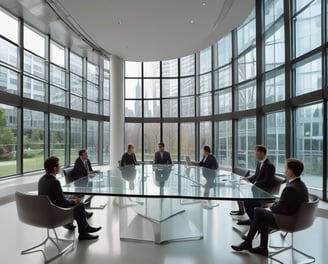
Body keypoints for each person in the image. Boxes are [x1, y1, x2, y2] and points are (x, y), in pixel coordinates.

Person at [231, 158, 309, 257]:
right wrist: (277, 202)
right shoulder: (301, 185)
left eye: (286, 168)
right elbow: (288, 203)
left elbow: (278, 209)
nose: (285, 170)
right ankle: (262, 248)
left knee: (258, 211)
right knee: (262, 215)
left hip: (287, 220)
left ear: (290, 170)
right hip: (297, 218)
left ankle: (247, 242)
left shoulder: (291, 188)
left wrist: (271, 205)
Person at [38, 156, 101, 240]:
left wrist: (68, 198)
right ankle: (83, 233)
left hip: (45, 213)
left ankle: (86, 227)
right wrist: (73, 201)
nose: (60, 167)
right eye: (59, 165)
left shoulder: (41, 180)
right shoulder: (54, 182)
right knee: (80, 205)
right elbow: (62, 203)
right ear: (54, 168)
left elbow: (54, 197)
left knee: (76, 202)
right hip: (56, 214)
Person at [237, 145, 275, 225]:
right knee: (245, 198)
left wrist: (255, 184)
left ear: (261, 152)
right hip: (257, 189)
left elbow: (267, 181)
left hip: (263, 192)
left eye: (256, 152)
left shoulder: (270, 165)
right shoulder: (259, 163)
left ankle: (253, 221)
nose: (255, 154)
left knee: (247, 201)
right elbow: (256, 176)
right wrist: (248, 178)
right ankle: (253, 219)